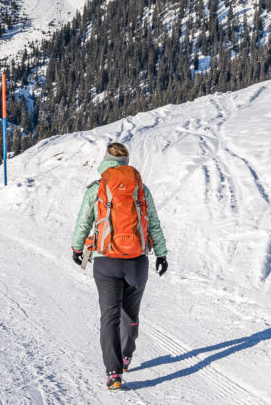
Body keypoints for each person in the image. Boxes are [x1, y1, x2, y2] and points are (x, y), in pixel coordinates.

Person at [71, 141, 168, 390]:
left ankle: (113, 373)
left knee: (109, 317)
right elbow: (153, 223)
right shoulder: (141, 189)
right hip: (137, 262)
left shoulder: (97, 188)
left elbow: (84, 221)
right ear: (127, 162)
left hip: (106, 262)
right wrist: (161, 254)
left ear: (105, 160)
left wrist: (77, 248)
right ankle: (126, 356)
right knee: (130, 314)